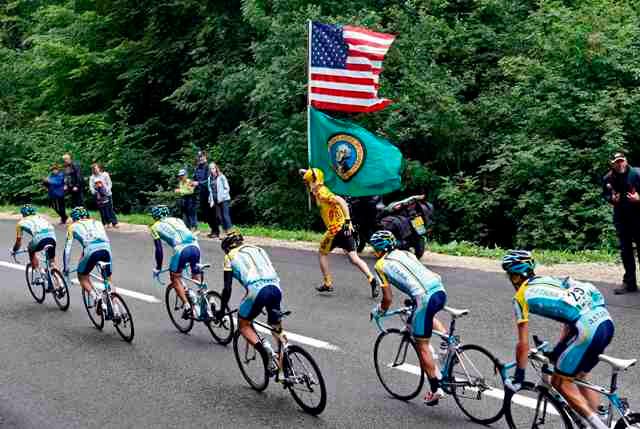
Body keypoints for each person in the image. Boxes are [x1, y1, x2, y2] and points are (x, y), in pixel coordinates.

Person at [501, 250, 614, 429]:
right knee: (580, 375)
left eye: (509, 276)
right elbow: (569, 319)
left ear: (515, 277)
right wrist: (559, 349)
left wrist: (519, 376)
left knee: (559, 382)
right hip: (605, 321)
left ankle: (600, 426)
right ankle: (600, 416)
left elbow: (523, 343)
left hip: (587, 330)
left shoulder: (520, 297)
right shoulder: (550, 281)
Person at [369, 230, 448, 405]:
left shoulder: (380, 265)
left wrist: (379, 311)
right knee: (427, 316)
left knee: (422, 345)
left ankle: (435, 389)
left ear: (378, 249)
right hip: (439, 290)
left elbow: (387, 299)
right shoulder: (406, 253)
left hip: (423, 298)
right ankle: (447, 345)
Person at [299, 167, 379, 297]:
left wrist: (348, 220)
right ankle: (372, 279)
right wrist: (304, 173)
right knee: (354, 258)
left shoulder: (322, 193)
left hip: (335, 230)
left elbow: (341, 201)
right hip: (343, 229)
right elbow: (313, 178)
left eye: (308, 183)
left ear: (313, 182)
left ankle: (328, 283)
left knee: (322, 253)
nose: (307, 185)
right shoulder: (318, 189)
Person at [217, 230, 283, 374]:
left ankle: (265, 354)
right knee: (277, 328)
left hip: (257, 291)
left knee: (243, 324)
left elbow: (227, 289)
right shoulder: (258, 249)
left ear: (227, 248)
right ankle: (285, 366)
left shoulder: (229, 257)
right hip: (275, 288)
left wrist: (222, 311)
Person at [149, 205, 202, 319]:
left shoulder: (154, 227)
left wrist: (158, 267)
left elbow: (159, 250)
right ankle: (204, 296)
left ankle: (188, 307)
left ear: (154, 216)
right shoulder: (178, 220)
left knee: (175, 277)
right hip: (195, 246)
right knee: (195, 273)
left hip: (181, 250)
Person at [602, 151, 640, 294]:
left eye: (621, 161)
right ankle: (630, 283)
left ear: (626, 160)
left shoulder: (637, 174)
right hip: (621, 219)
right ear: (612, 163)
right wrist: (612, 199)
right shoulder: (608, 178)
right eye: (616, 162)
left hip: (638, 218)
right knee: (626, 251)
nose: (619, 164)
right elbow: (605, 195)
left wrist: (639, 198)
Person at [63, 207, 113, 310]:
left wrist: (66, 267)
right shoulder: (98, 222)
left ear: (74, 218)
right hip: (106, 249)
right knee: (108, 280)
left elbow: (67, 250)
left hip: (91, 251)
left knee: (82, 276)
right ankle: (116, 308)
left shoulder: (72, 227)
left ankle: (95, 298)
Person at [11, 205, 58, 281]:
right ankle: (59, 281)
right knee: (52, 260)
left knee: (31, 251)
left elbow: (18, 241)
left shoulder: (20, 223)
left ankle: (37, 275)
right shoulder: (41, 218)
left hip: (39, 238)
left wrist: (14, 250)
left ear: (23, 214)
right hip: (52, 237)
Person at [193, 151, 217, 238]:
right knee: (206, 214)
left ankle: (215, 231)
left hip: (209, 193)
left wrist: (198, 183)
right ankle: (212, 229)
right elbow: (195, 179)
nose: (200, 158)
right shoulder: (197, 168)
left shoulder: (208, 167)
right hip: (201, 193)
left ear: (205, 157)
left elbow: (209, 180)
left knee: (212, 212)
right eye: (199, 157)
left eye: (202, 156)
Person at [208, 162, 233, 234]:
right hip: (216, 200)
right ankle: (224, 231)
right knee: (219, 216)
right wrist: (211, 200)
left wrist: (222, 197)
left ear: (216, 168)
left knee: (225, 215)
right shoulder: (210, 178)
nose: (212, 170)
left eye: (213, 168)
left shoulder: (221, 176)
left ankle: (230, 230)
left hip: (224, 199)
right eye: (210, 169)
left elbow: (227, 188)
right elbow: (210, 190)